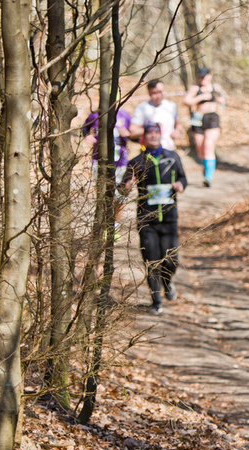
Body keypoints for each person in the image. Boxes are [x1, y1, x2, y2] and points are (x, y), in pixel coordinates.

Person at [120, 123, 187, 315]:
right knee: (151, 261)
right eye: (149, 133)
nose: (153, 136)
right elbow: (123, 185)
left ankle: (168, 282)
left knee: (171, 260)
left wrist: (180, 185)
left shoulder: (172, 157)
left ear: (161, 135)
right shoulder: (137, 162)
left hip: (169, 218)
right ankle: (156, 301)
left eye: (156, 132)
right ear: (144, 138)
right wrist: (127, 184)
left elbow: (184, 178)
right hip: (146, 220)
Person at [83, 104, 132, 238]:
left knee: (120, 195)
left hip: (120, 161)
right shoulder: (95, 115)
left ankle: (114, 226)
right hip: (100, 161)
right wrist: (88, 136)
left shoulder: (125, 115)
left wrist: (128, 134)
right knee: (104, 192)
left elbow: (135, 135)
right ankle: (102, 226)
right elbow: (85, 129)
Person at [183, 66, 227, 187]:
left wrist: (221, 100)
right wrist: (201, 97)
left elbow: (225, 97)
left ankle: (208, 178)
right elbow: (186, 101)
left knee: (208, 147)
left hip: (212, 118)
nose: (202, 79)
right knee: (201, 151)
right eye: (200, 76)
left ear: (210, 75)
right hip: (198, 119)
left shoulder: (216, 87)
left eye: (204, 76)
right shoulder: (195, 88)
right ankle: (207, 167)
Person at [130, 79, 181, 151]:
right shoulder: (142, 108)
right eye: (154, 93)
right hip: (149, 151)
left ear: (164, 90)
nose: (158, 96)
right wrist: (151, 127)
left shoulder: (171, 106)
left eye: (160, 92)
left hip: (169, 150)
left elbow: (177, 124)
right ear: (149, 93)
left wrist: (177, 131)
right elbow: (133, 133)